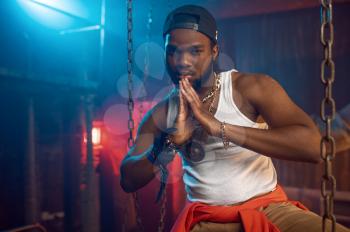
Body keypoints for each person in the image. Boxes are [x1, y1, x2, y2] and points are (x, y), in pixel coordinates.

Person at [120, 4, 350, 232]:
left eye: (195, 51)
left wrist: (220, 128)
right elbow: (128, 179)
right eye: (173, 51)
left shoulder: (250, 88)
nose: (182, 61)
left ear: (214, 51)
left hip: (270, 209)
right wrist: (169, 145)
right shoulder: (162, 113)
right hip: (206, 220)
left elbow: (312, 147)